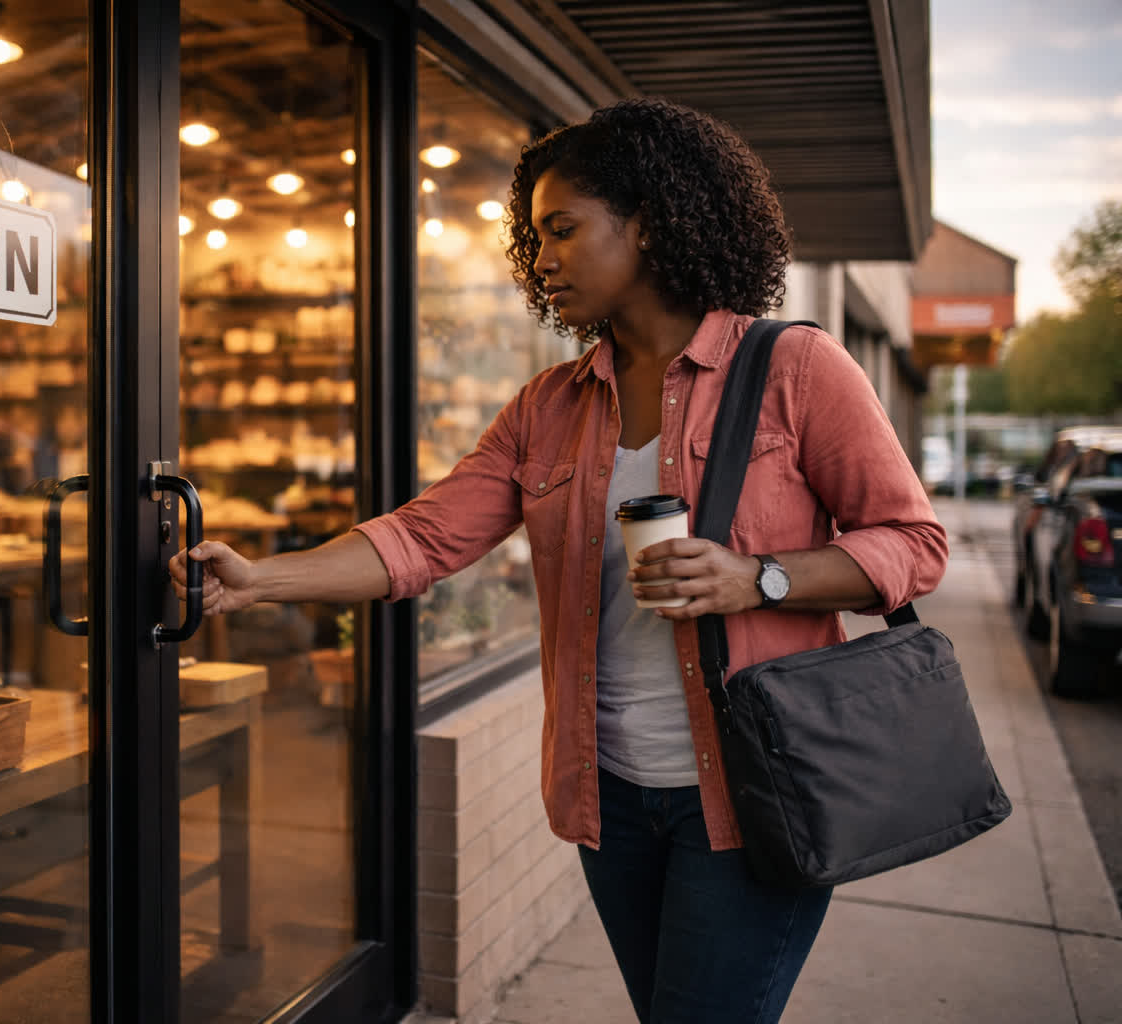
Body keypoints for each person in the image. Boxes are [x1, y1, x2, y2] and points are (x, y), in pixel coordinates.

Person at [169, 97, 947, 1023]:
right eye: (534, 237)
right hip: (610, 800)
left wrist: (757, 577)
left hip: (753, 793)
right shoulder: (551, 405)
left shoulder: (796, 370)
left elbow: (913, 544)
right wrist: (264, 578)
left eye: (564, 229)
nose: (541, 260)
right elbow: (425, 536)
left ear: (650, 224)